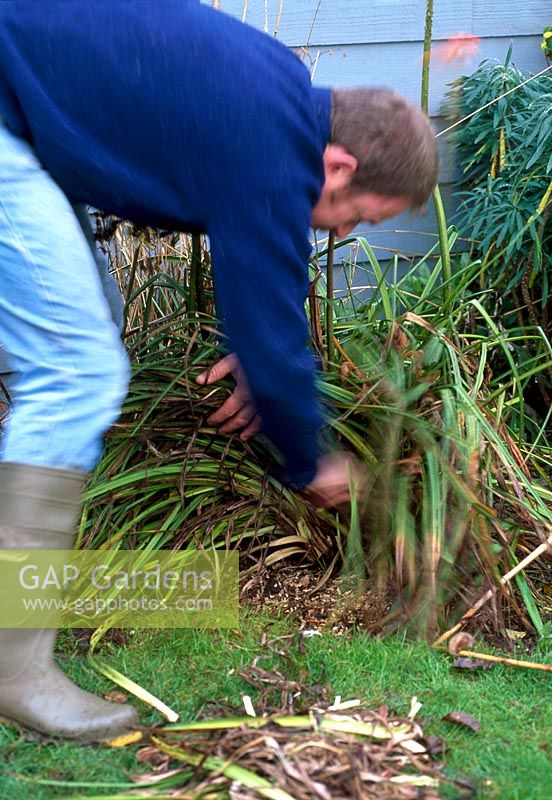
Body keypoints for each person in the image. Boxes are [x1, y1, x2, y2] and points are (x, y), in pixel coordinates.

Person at [0, 1, 438, 742]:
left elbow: (263, 257)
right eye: (358, 214)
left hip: (27, 116)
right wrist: (311, 460)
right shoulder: (272, 149)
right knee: (76, 375)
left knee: (83, 342)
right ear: (339, 164)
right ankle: (13, 669)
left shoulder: (279, 98)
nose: (343, 230)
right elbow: (268, 254)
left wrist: (259, 342)